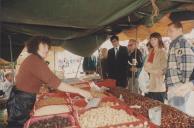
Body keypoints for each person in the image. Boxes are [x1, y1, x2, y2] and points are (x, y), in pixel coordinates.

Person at [7, 36, 92, 128]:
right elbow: (56, 83)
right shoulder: (35, 60)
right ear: (35, 46)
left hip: (22, 98)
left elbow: (47, 79)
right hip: (21, 101)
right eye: (43, 45)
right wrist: (80, 91)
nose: (47, 49)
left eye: (48, 46)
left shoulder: (34, 59)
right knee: (17, 125)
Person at [165, 22, 194, 112]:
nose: (168, 34)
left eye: (171, 31)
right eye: (168, 31)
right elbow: (177, 64)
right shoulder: (175, 43)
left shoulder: (181, 42)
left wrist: (183, 84)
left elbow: (187, 65)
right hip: (175, 85)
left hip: (178, 86)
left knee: (178, 113)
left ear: (180, 30)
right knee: (175, 112)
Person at [144, 32, 167, 103]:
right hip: (149, 86)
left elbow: (163, 71)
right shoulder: (151, 52)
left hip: (158, 87)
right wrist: (150, 69)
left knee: (159, 109)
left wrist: (150, 69)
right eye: (151, 40)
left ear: (159, 40)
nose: (152, 41)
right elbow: (145, 67)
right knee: (150, 108)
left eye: (154, 39)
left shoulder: (162, 52)